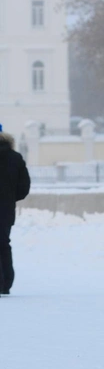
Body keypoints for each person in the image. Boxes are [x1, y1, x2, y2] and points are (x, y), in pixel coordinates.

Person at [0, 125, 31, 296]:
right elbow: (24, 187)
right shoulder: (15, 158)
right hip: (5, 210)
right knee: (3, 244)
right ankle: (5, 283)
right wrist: (9, 198)